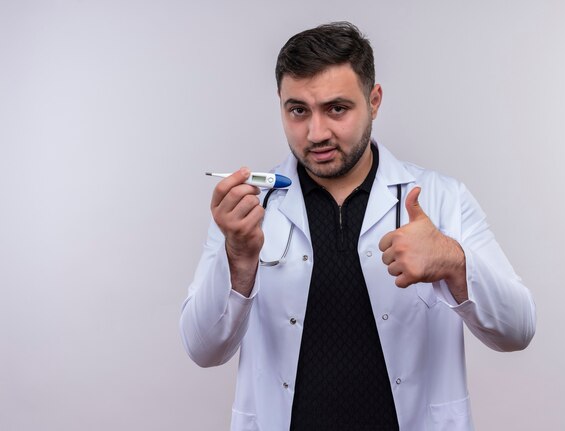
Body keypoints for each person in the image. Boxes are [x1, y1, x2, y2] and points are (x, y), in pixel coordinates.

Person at [180, 21, 536, 431]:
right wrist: (239, 259)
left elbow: (518, 330)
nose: (316, 133)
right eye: (298, 110)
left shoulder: (442, 198)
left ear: (374, 100)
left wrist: (454, 262)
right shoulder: (246, 212)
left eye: (337, 109)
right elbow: (203, 349)